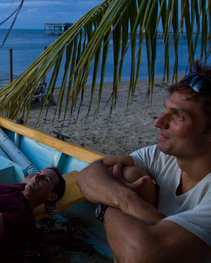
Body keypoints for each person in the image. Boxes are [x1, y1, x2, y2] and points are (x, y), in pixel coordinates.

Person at [76, 60, 211, 263]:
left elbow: (139, 254)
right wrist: (127, 200)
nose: (159, 122)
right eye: (166, 110)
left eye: (179, 117)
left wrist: (108, 207)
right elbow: (89, 173)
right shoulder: (164, 158)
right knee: (129, 174)